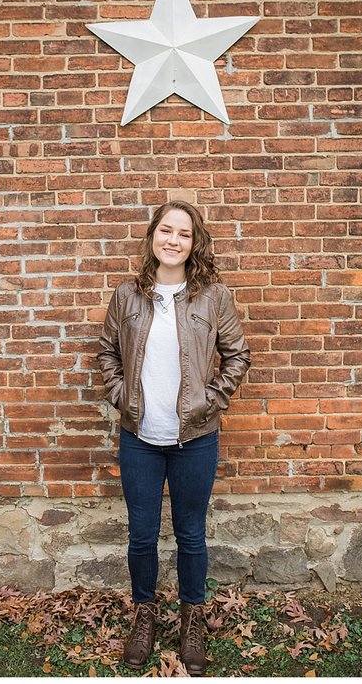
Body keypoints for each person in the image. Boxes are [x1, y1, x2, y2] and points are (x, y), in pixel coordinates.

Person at [96, 200, 250, 676]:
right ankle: (144, 615)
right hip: (139, 434)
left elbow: (238, 356)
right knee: (141, 536)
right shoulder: (127, 295)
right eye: (166, 230)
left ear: (193, 243)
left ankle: (192, 618)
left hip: (196, 437)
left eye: (184, 234)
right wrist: (122, 396)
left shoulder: (213, 297)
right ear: (152, 236)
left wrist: (210, 400)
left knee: (190, 535)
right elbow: (107, 352)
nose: (173, 240)